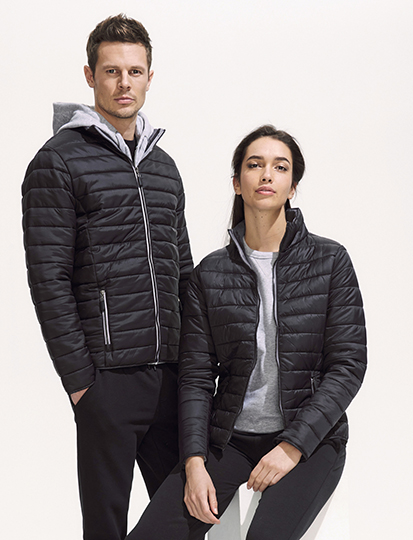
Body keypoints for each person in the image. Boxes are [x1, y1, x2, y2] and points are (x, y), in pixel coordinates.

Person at [127, 125, 367, 540]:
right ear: (237, 183)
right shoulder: (211, 273)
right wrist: (194, 461)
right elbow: (197, 376)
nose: (267, 174)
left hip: (311, 440)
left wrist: (292, 446)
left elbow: (347, 366)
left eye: (280, 167)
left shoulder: (330, 261)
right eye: (255, 165)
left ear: (293, 186)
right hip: (230, 440)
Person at [21, 14, 193, 540]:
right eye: (112, 71)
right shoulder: (57, 162)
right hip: (107, 382)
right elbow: (48, 280)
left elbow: (183, 272)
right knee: (105, 528)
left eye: (135, 71)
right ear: (90, 75)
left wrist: (195, 365)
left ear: (149, 77)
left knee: (187, 519)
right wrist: (82, 384)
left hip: (171, 378)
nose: (124, 83)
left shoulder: (164, 167)